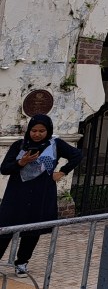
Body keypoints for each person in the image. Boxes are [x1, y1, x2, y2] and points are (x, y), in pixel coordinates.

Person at [0, 114, 82, 277]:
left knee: (32, 231)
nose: (37, 134)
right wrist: (21, 162)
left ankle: (22, 263)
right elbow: (4, 169)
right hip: (17, 194)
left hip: (41, 194)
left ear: (48, 130)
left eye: (41, 131)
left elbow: (77, 155)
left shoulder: (55, 144)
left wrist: (62, 172)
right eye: (34, 130)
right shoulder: (19, 145)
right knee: (4, 229)